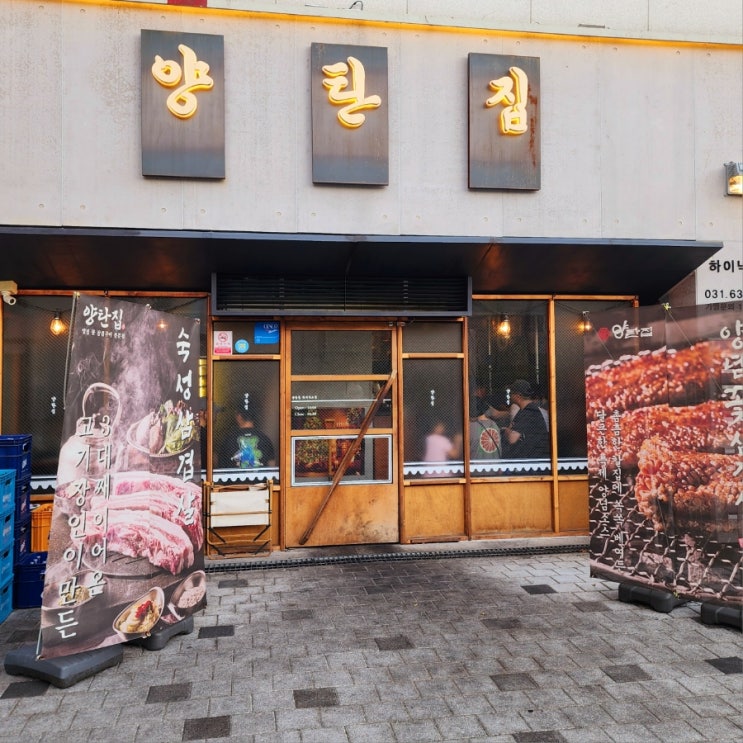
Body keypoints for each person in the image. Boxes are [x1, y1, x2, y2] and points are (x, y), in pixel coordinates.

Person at [501, 379, 549, 458]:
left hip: (535, 461)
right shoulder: (524, 410)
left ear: (518, 396)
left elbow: (512, 438)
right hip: (529, 459)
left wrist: (505, 431)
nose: (510, 395)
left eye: (511, 393)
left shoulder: (530, 411)